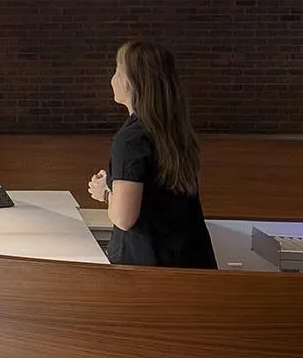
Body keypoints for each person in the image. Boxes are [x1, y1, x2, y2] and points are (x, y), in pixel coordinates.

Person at [86, 40, 218, 269]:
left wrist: (106, 193)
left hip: (150, 271)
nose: (112, 80)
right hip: (192, 264)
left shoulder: (130, 139)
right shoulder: (175, 131)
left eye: (117, 71)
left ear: (133, 83)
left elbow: (124, 218)